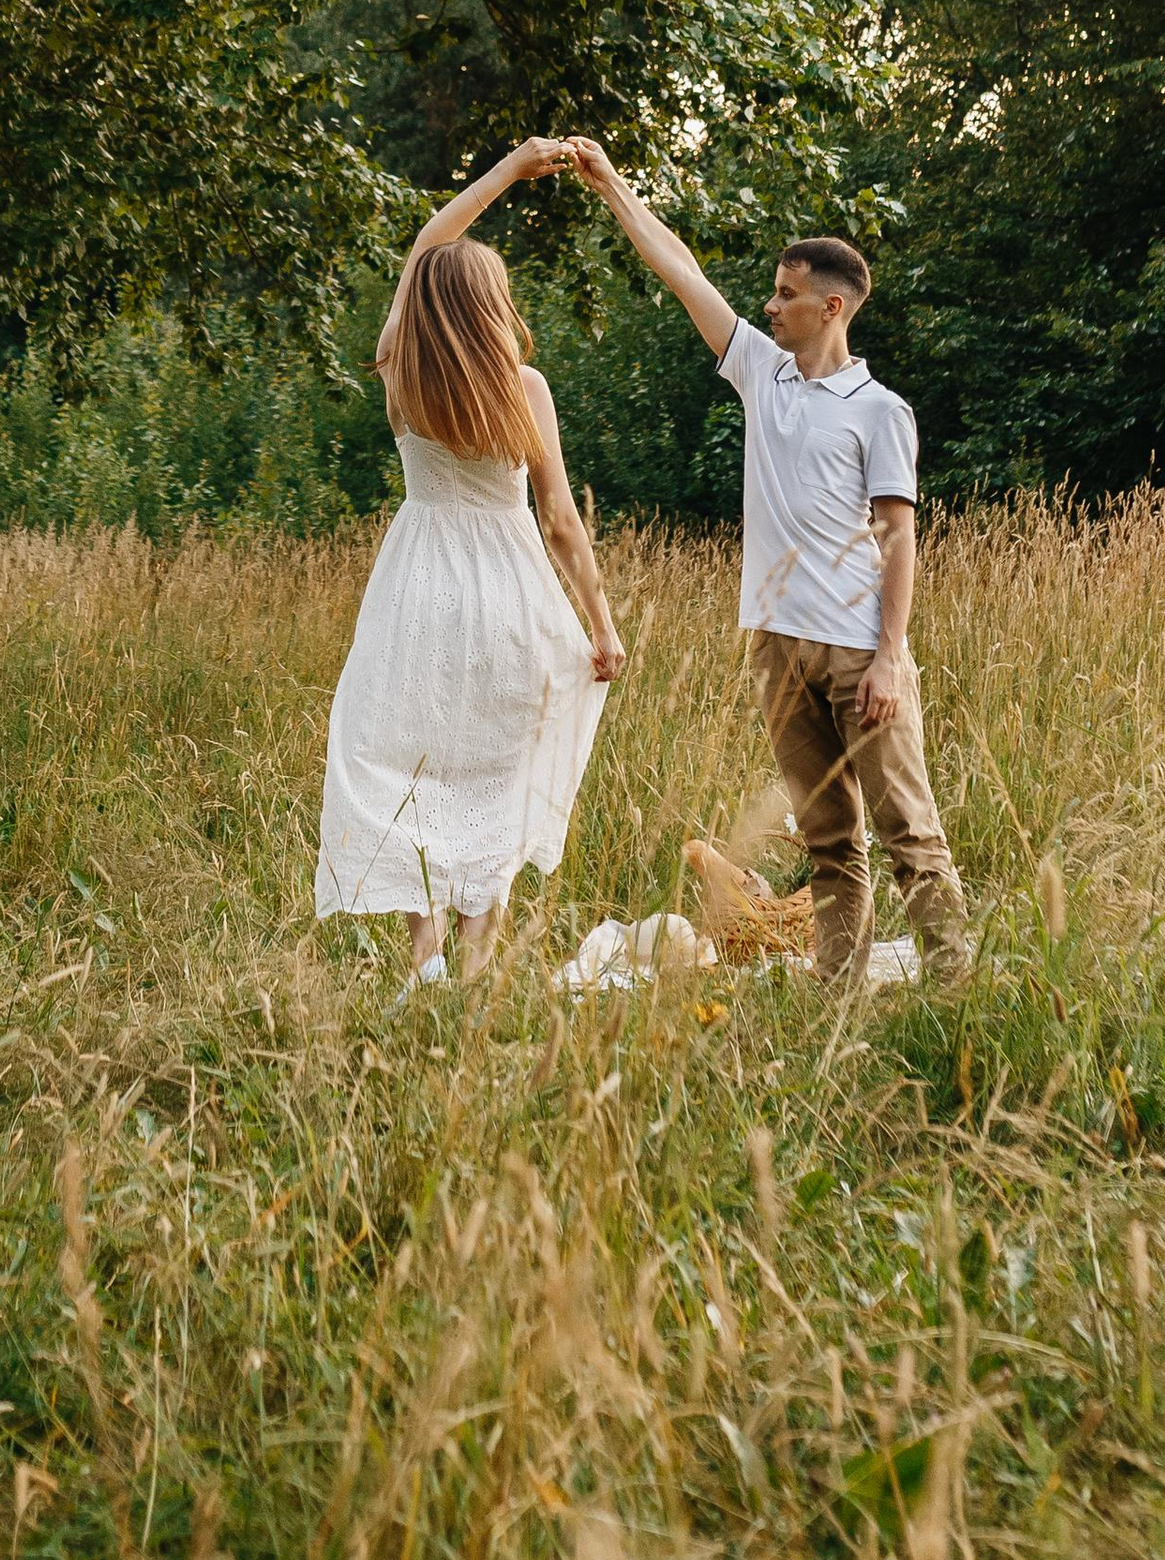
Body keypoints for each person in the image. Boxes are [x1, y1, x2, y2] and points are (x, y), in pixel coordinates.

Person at [563, 142, 971, 984]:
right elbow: (681, 272)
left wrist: (889, 655)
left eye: (786, 294)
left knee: (908, 833)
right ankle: (837, 990)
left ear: (831, 307)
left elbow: (899, 536)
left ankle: (956, 983)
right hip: (779, 649)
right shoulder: (762, 372)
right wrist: (611, 185)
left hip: (858, 652)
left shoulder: (881, 411)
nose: (770, 305)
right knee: (828, 841)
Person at [316, 139, 627, 985]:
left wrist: (506, 171)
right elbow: (560, 520)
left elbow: (427, 244)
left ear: (420, 302)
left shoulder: (399, 372)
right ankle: (478, 959)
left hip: (416, 586)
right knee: (499, 769)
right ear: (494, 305)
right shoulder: (524, 389)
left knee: (412, 765)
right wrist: (601, 623)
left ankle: (426, 957)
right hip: (509, 590)